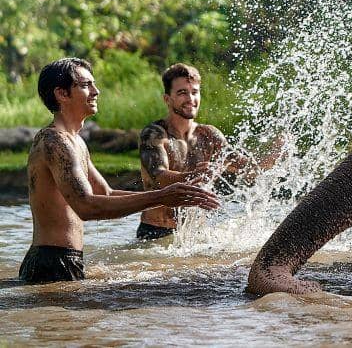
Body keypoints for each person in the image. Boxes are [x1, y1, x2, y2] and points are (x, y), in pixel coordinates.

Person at [20, 58, 220, 283]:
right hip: (52, 261)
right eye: (86, 85)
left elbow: (105, 194)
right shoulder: (54, 141)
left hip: (64, 259)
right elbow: (86, 206)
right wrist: (163, 195)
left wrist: (169, 198)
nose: (96, 91)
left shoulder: (74, 141)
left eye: (93, 84)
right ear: (62, 94)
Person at [137, 63, 279, 240]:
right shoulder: (154, 134)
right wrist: (193, 176)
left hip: (195, 235)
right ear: (167, 99)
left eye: (195, 92)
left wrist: (276, 153)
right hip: (157, 232)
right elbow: (159, 177)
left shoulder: (209, 135)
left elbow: (248, 169)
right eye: (182, 93)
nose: (190, 98)